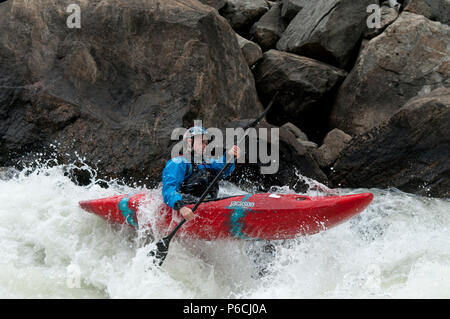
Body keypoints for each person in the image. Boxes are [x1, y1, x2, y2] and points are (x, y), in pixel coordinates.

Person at [162, 126, 241, 221]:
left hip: (207, 203)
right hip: (186, 206)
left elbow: (222, 170)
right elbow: (169, 188)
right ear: (190, 142)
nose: (205, 145)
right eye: (202, 142)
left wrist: (229, 156)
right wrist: (181, 206)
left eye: (206, 143)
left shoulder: (207, 162)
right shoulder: (178, 163)